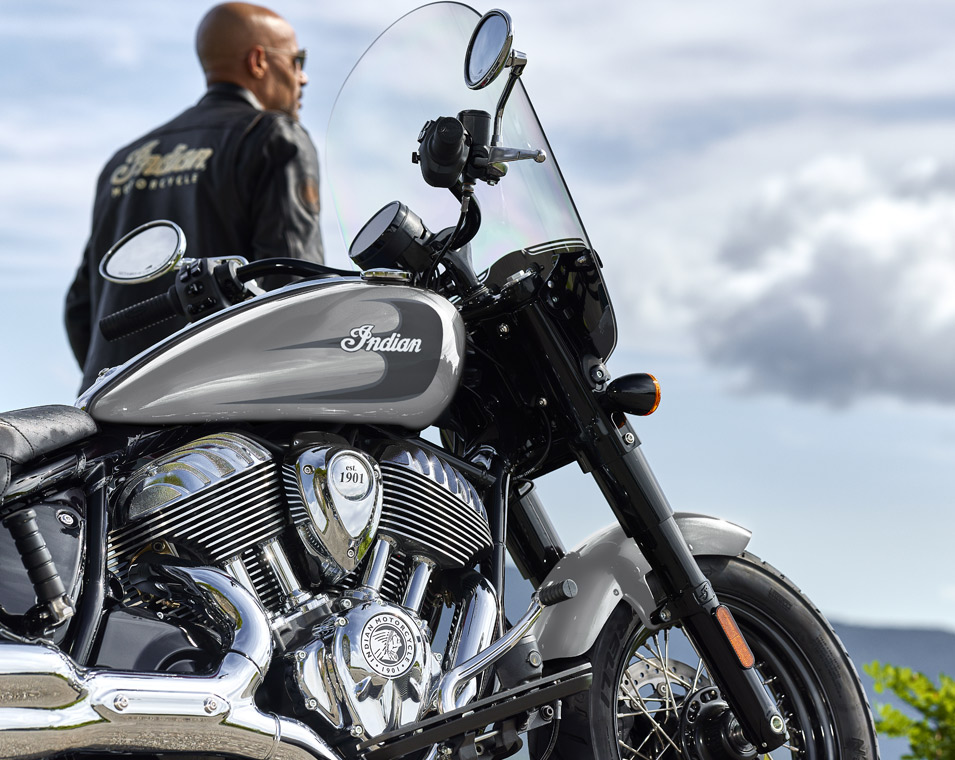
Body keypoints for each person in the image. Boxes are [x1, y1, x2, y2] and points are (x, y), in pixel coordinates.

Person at [65, 2, 324, 391]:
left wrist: (120, 382)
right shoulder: (273, 137)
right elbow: (295, 291)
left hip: (106, 410)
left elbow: (79, 308)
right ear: (258, 61)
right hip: (216, 411)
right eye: (297, 60)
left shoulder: (123, 161)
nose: (303, 77)